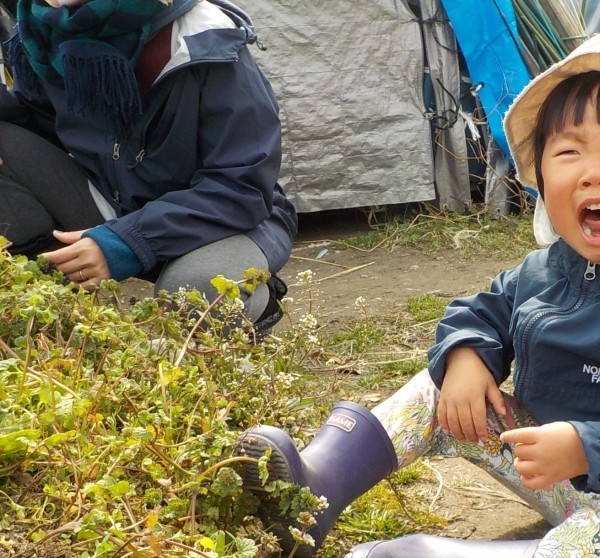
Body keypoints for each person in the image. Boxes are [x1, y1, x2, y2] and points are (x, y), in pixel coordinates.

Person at [238, 34, 600, 558]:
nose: (594, 171)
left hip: (580, 484)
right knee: (439, 387)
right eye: (570, 151)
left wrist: (585, 447)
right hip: (553, 475)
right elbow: (481, 312)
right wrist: (468, 355)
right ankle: (314, 491)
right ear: (540, 177)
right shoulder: (544, 272)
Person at [0, 0, 296, 331]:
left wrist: (125, 242)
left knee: (194, 296)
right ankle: (57, 308)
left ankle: (259, 304)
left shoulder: (202, 37)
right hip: (113, 207)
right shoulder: (44, 29)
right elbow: (42, 127)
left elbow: (242, 189)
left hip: (224, 222)